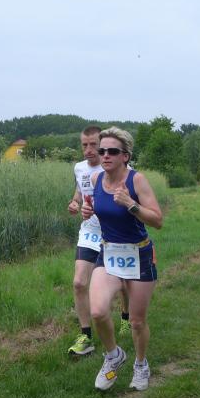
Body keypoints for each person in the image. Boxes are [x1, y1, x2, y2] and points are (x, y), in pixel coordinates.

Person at [81, 127, 163, 391]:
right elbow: (97, 209)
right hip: (109, 252)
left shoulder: (137, 181)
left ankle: (141, 364)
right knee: (97, 311)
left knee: (137, 322)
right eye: (102, 150)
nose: (104, 155)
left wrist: (131, 204)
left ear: (125, 156)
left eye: (112, 151)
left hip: (138, 253)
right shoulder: (96, 180)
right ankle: (113, 356)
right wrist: (86, 210)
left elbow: (157, 220)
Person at [67, 126, 131, 356]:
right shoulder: (79, 168)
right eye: (84, 145)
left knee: (123, 282)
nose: (89, 150)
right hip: (89, 232)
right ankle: (86, 336)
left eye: (93, 144)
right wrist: (75, 204)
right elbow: (79, 191)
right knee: (79, 283)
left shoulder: (119, 167)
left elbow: (127, 199)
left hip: (114, 233)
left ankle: (126, 317)